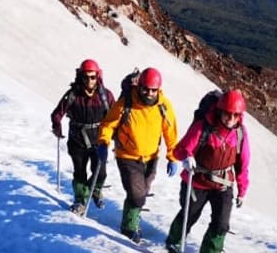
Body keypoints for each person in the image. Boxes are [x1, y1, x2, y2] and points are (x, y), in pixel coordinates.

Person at [165, 89, 251, 253]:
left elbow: (243, 164)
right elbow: (181, 149)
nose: (231, 118)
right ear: (220, 110)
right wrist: (187, 157)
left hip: (223, 184)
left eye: (236, 115)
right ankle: (174, 242)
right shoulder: (203, 127)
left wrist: (242, 190)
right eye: (228, 113)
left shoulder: (240, 134)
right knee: (190, 214)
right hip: (198, 181)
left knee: (221, 222)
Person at [95, 67, 180, 243]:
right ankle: (130, 226)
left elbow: (170, 131)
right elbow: (108, 124)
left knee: (142, 191)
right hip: (127, 156)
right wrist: (104, 142)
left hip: (151, 157)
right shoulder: (126, 103)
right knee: (136, 193)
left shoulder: (163, 106)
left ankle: (130, 218)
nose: (149, 93)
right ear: (139, 86)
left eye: (153, 90)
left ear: (158, 89)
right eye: (146, 89)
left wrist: (172, 156)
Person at [51, 59, 116, 214]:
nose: (89, 80)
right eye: (86, 77)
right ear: (80, 76)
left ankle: (95, 189)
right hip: (77, 140)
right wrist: (57, 126)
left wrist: (116, 137)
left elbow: (114, 117)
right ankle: (80, 200)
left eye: (92, 77)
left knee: (101, 172)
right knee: (79, 172)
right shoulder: (73, 95)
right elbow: (57, 113)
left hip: (99, 141)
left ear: (98, 76)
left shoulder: (105, 96)